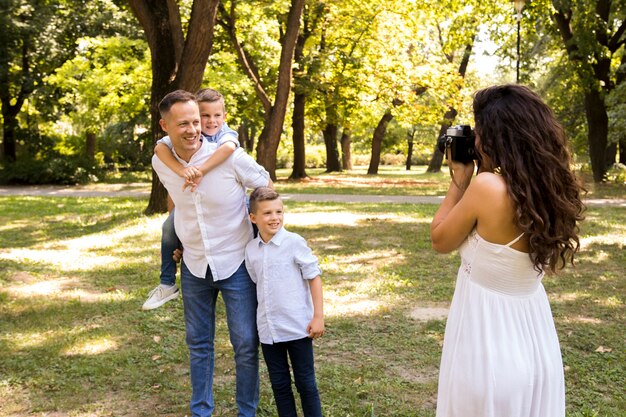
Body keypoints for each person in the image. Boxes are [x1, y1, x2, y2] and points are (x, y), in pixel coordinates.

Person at [430, 84, 585, 417]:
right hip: (536, 344)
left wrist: (459, 179)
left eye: (480, 130)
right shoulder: (545, 191)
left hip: (487, 350)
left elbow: (440, 239)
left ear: (496, 136)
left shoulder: (486, 188)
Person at [152, 89, 272, 417]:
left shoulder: (228, 155)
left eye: (196, 121)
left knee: (246, 344)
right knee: (198, 344)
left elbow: (266, 185)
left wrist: (261, 231)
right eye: (183, 124)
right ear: (165, 126)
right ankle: (201, 411)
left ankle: (246, 411)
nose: (192, 129)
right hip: (194, 265)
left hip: (236, 263)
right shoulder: (161, 161)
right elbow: (176, 200)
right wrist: (176, 235)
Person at [142, 88, 240, 310]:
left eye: (216, 116)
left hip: (229, 207)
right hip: (191, 209)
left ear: (224, 117)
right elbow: (159, 148)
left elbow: (228, 148)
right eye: (204, 116)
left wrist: (200, 170)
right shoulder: (185, 136)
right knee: (170, 227)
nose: (209, 122)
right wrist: (180, 170)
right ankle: (167, 283)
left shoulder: (224, 135)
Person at [244, 187, 324, 417]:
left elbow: (314, 276)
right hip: (269, 330)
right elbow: (255, 282)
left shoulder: (294, 243)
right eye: (267, 213)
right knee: (279, 386)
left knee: (306, 384)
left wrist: (318, 316)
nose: (275, 217)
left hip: (298, 327)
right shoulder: (251, 250)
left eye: (279, 211)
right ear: (253, 218)